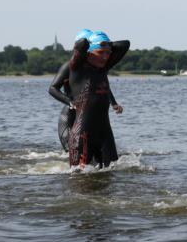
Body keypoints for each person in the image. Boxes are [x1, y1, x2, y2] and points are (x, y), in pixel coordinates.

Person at [49, 29, 123, 151]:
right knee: (71, 148)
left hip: (88, 112)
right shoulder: (71, 66)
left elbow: (102, 87)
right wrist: (69, 102)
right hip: (71, 112)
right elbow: (52, 88)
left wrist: (113, 103)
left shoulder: (96, 67)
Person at [66, 31, 130, 168]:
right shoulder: (76, 68)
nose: (106, 57)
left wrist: (106, 44)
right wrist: (93, 42)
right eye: (101, 52)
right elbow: (80, 45)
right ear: (89, 53)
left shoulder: (103, 68)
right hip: (82, 134)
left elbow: (125, 44)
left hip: (104, 133)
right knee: (79, 179)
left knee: (111, 172)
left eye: (108, 53)